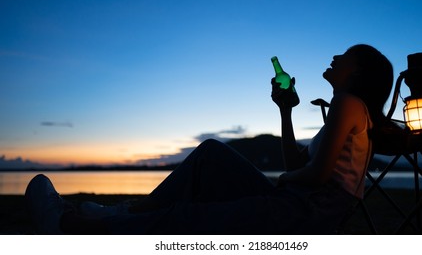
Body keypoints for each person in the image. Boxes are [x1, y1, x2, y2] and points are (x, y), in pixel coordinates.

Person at [25, 44, 394, 234]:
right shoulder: (349, 109)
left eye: (343, 56)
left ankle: (67, 227)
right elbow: (299, 165)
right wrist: (286, 110)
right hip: (301, 202)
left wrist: (284, 181)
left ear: (357, 71)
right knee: (210, 154)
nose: (334, 56)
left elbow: (309, 177)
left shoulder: (347, 102)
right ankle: (127, 213)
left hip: (305, 211)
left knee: (189, 216)